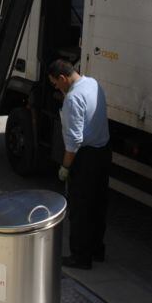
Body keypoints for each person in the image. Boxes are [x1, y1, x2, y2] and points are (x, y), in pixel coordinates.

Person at [47, 58, 110, 270]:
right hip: (103, 153)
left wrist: (65, 167)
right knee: (97, 205)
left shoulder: (73, 98)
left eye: (56, 83)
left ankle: (80, 257)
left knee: (80, 209)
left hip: (85, 159)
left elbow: (74, 141)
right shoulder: (93, 83)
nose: (56, 87)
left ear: (63, 78)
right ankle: (96, 250)